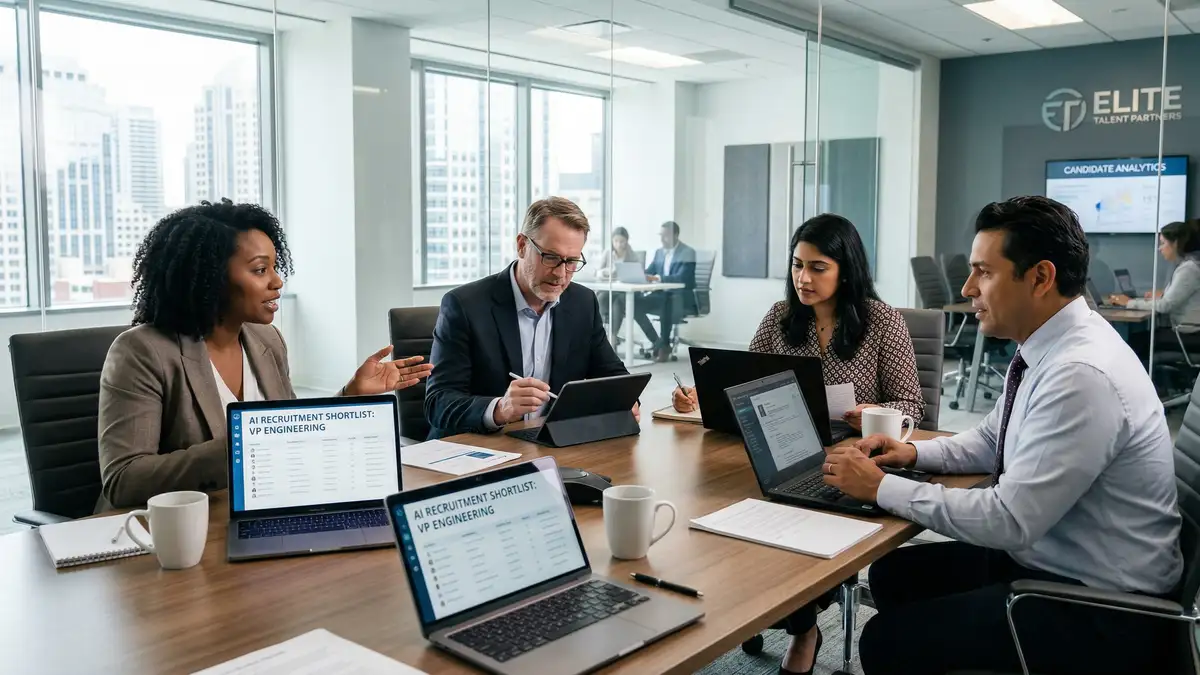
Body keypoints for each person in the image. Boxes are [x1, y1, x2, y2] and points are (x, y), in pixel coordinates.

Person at [823, 196, 1182, 675]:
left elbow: (1010, 520)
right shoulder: (1049, 343)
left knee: (888, 642)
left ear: (1040, 278)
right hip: (1060, 559)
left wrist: (880, 487)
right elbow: (992, 439)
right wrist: (910, 453)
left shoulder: (1080, 374)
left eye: (983, 272)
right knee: (893, 576)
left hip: (1104, 608)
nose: (968, 287)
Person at [670, 213, 924, 675]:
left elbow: (910, 403)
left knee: (798, 520)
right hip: (778, 447)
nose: (803, 278)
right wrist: (701, 395)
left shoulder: (882, 322)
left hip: (847, 455)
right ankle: (755, 604)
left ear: (846, 269)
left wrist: (870, 411)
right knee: (722, 505)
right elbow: (740, 380)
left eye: (817, 267)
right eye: (796, 265)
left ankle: (804, 628)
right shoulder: (781, 317)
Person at [98, 200, 433, 511]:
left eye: (274, 267)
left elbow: (292, 434)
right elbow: (124, 480)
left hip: (262, 510)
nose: (277, 281)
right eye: (260, 270)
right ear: (209, 278)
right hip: (171, 537)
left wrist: (350, 396)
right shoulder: (142, 351)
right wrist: (246, 445)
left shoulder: (266, 340)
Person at [425, 196, 636, 439]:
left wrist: (627, 402)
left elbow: (612, 374)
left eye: (572, 262)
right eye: (551, 257)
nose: (560, 274)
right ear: (522, 245)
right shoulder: (464, 305)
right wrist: (499, 409)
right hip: (474, 448)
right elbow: (438, 402)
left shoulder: (583, 302)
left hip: (548, 443)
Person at [1109, 219, 1200, 360]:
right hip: (1188, 332)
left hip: (1187, 334)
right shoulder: (1188, 265)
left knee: (1135, 342)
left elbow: (1165, 306)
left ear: (1175, 243)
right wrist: (1162, 294)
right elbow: (1174, 298)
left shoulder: (1188, 269)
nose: (1160, 248)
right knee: (1139, 339)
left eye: (1163, 243)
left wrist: (1129, 303)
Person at [634, 221, 696, 362]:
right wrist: (638, 275)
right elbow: (649, 272)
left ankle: (665, 344)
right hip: (661, 295)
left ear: (675, 235)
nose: (662, 239)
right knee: (635, 304)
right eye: (661, 235)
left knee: (667, 301)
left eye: (666, 235)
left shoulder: (687, 252)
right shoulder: (659, 253)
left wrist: (657, 278)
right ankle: (658, 342)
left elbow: (683, 278)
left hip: (681, 297)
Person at [596, 226, 636, 338]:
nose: (618, 244)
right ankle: (598, 333)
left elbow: (637, 272)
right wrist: (605, 272)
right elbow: (598, 272)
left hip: (622, 291)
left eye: (622, 241)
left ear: (627, 241)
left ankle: (612, 338)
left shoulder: (631, 254)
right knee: (601, 298)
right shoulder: (608, 252)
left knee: (618, 303)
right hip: (608, 290)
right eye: (616, 241)